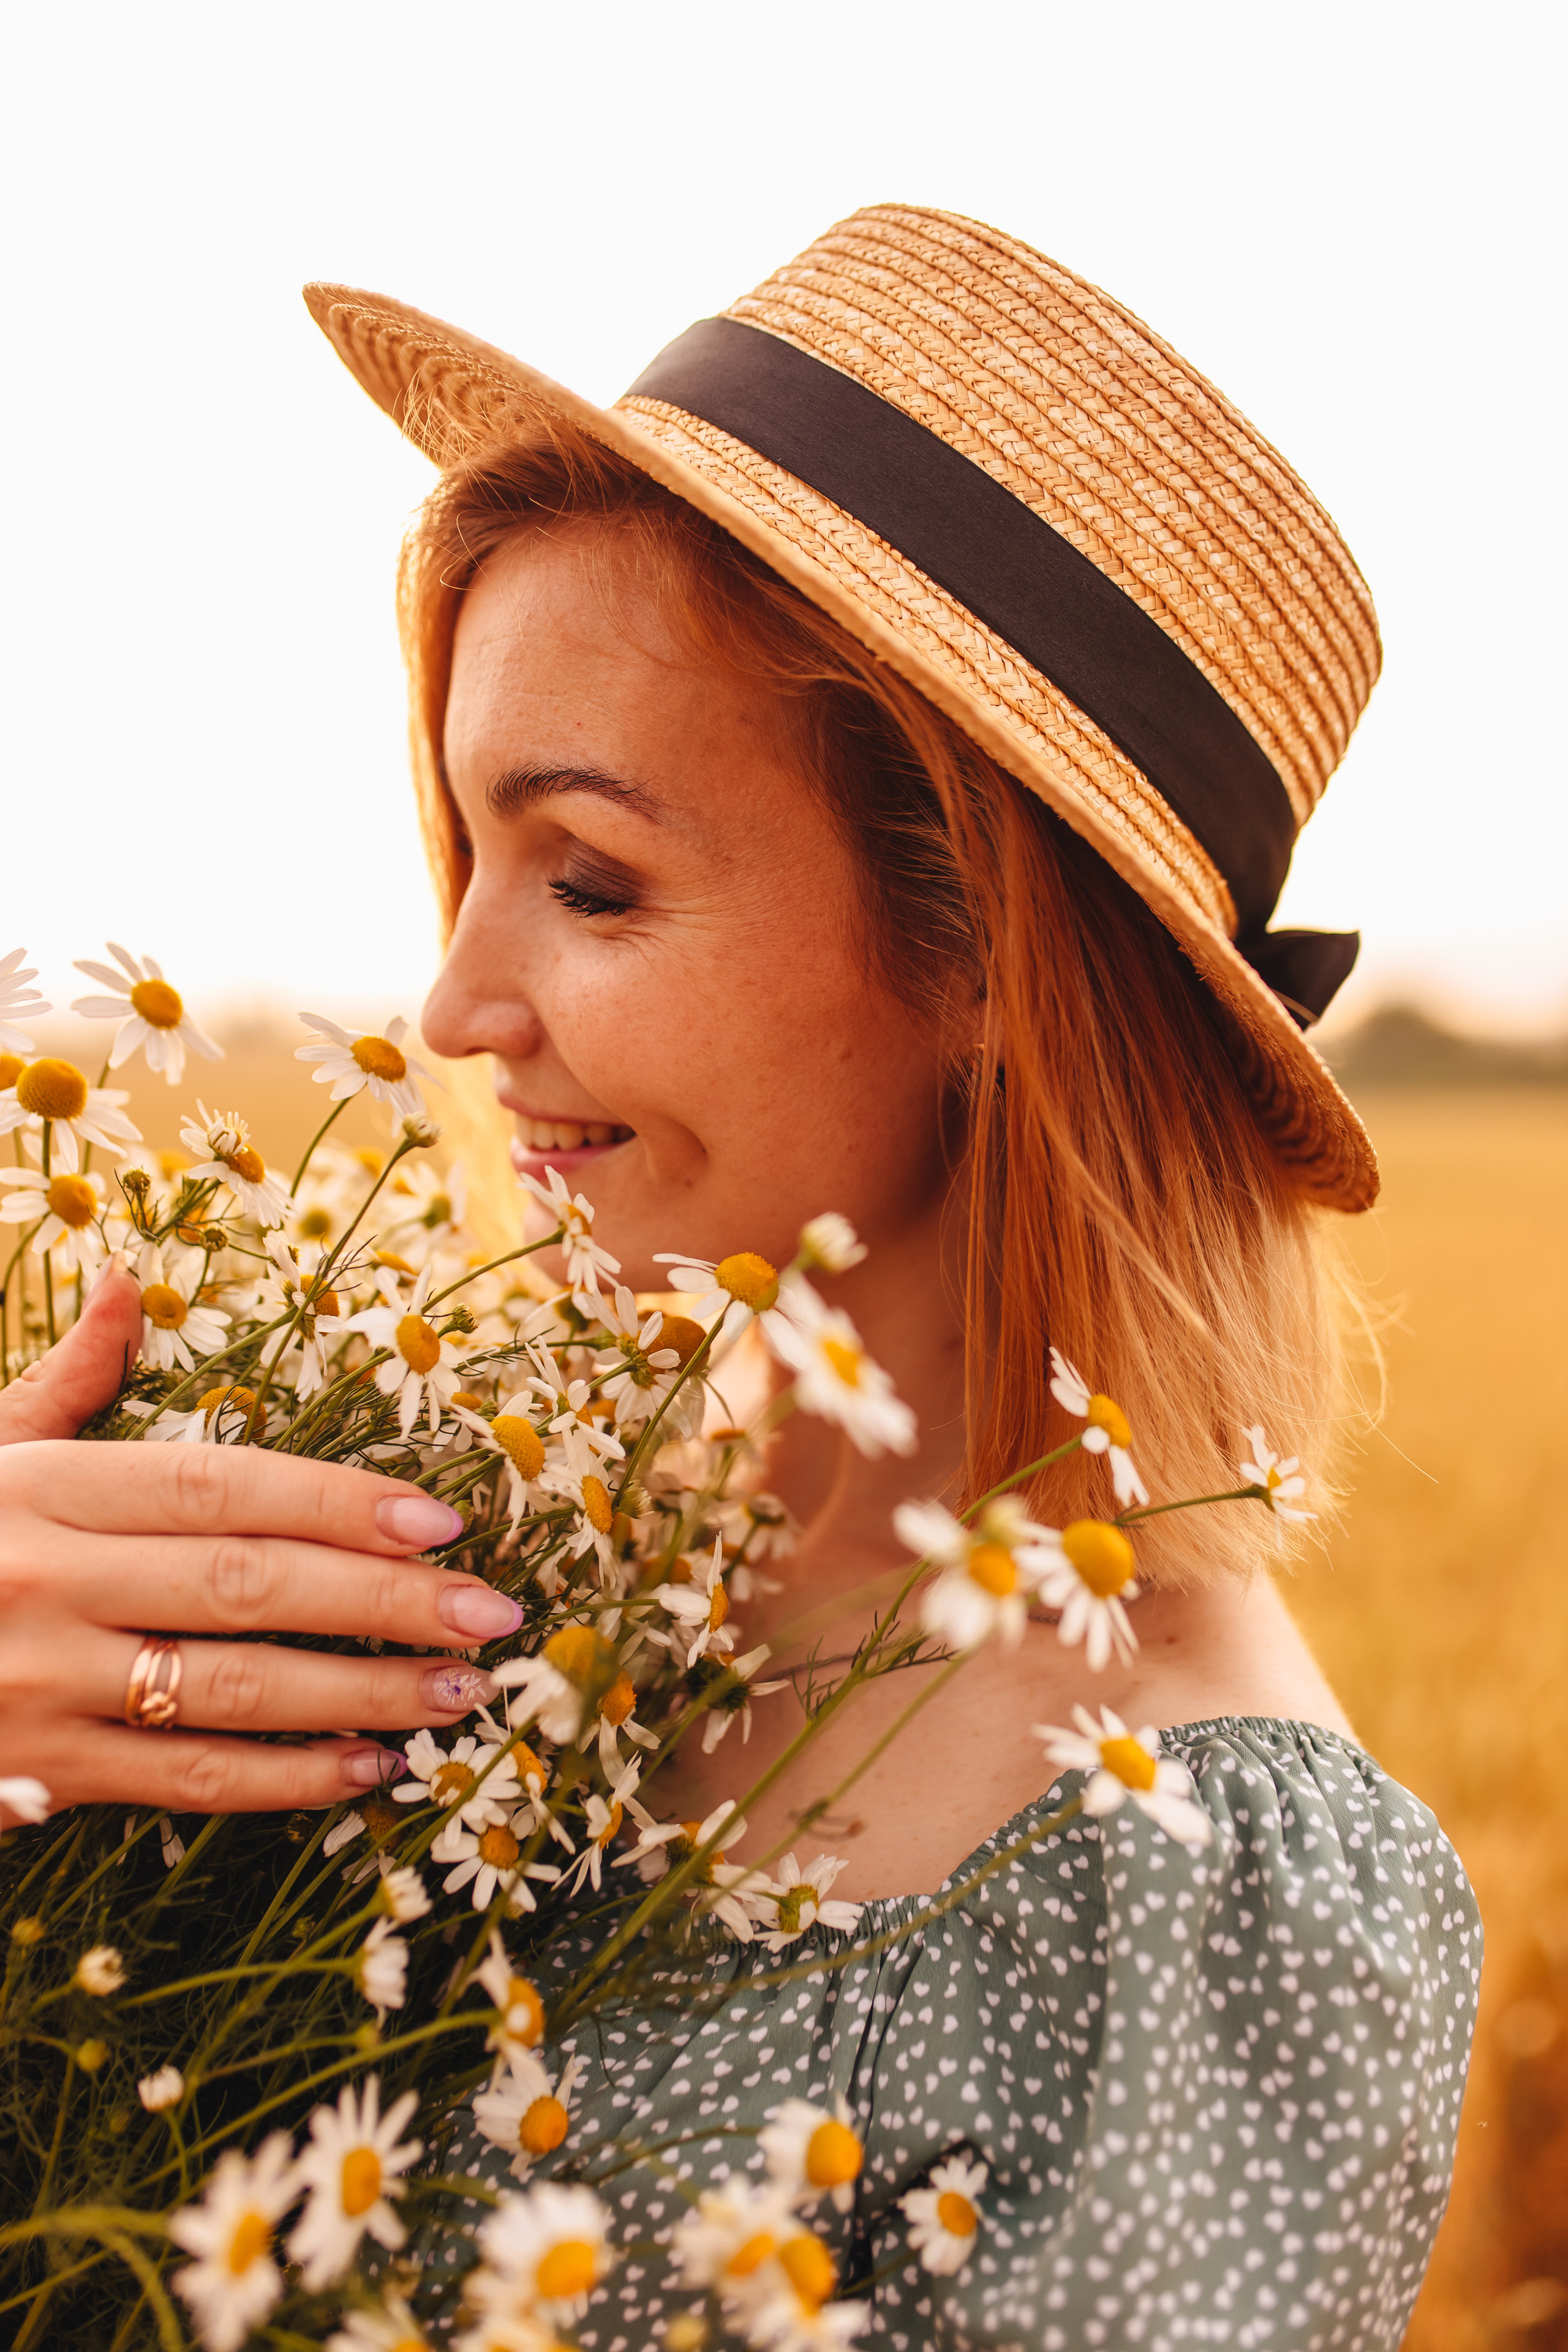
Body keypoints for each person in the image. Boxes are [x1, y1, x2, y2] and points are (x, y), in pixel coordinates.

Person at [0, 207, 1478, 2345]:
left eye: (594, 883)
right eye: (471, 852)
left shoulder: (1198, 1900)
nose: (450, 1008)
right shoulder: (462, 1548)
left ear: (985, 950)